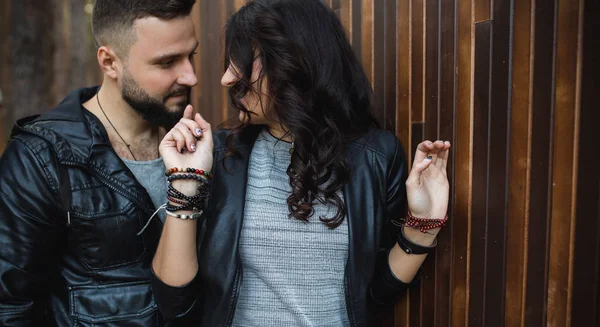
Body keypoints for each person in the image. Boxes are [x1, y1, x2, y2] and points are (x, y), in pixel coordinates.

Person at [151, 0, 451, 326]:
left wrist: (423, 226)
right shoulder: (222, 156)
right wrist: (185, 183)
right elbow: (175, 304)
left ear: (292, 61)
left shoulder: (375, 157)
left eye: (240, 60)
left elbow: (378, 294)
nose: (226, 78)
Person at [0, 0, 198, 325]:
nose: (189, 76)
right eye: (167, 63)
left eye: (192, 55)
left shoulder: (200, 147)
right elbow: (10, 307)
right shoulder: (41, 160)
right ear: (109, 62)